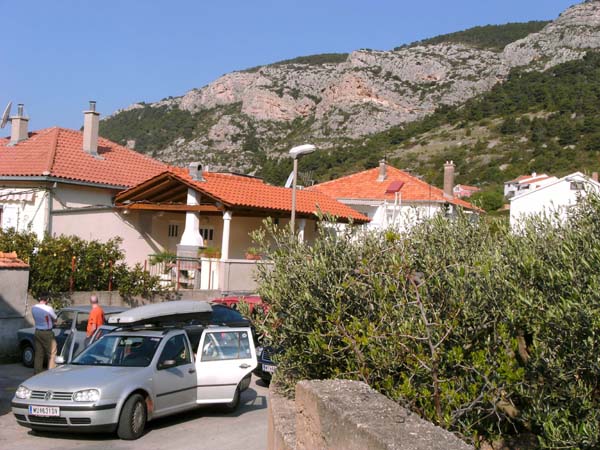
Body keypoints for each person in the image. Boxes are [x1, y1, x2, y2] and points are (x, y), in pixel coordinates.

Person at [31, 293, 57, 374]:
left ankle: (37, 372)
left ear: (40, 299)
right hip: (47, 332)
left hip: (37, 331)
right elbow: (55, 318)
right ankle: (51, 372)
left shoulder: (33, 308)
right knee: (52, 353)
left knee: (39, 354)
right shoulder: (48, 308)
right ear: (47, 300)